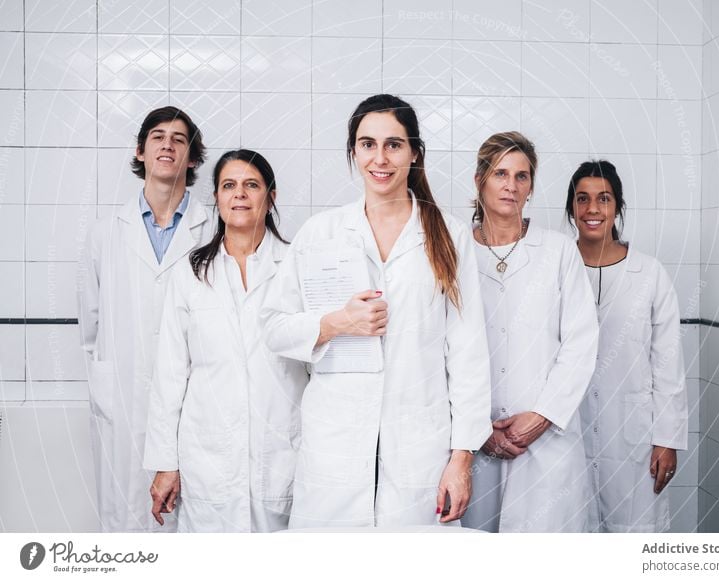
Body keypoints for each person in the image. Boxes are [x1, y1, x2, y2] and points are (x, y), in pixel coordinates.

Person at [261, 94, 491, 528]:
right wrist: (334, 323)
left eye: (394, 144)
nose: (380, 158)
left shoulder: (448, 234)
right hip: (335, 445)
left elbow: (468, 355)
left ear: (415, 152)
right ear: (353, 151)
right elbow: (273, 327)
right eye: (367, 144)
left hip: (419, 449)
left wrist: (462, 458)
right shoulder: (322, 232)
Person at [143, 150, 308, 532]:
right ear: (216, 198)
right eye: (229, 186)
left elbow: (319, 366)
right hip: (208, 459)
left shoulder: (296, 267)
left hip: (283, 454)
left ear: (271, 197)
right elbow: (169, 376)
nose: (240, 195)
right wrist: (166, 463)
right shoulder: (189, 273)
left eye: (252, 185)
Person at [77, 106, 211, 532]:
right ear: (141, 151)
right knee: (125, 521)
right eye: (157, 136)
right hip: (123, 398)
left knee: (189, 525)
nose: (167, 144)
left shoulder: (213, 230)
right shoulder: (104, 232)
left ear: (192, 158)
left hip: (192, 402)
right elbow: (91, 323)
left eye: (178, 138)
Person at [460, 132, 599, 532]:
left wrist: (542, 416)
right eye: (500, 173)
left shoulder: (557, 251)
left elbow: (581, 342)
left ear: (531, 186)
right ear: (479, 180)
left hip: (545, 440)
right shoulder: (454, 252)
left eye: (522, 176)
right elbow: (439, 349)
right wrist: (477, 427)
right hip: (474, 442)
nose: (511, 185)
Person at [565, 159, 688, 532]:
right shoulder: (557, 266)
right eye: (582, 198)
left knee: (634, 541)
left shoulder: (649, 273)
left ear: (617, 206)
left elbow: (668, 363)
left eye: (603, 198)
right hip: (569, 430)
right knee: (572, 537)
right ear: (571, 208)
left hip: (633, 437)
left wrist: (667, 439)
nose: (592, 209)